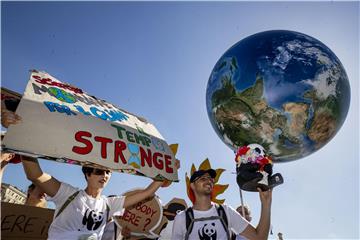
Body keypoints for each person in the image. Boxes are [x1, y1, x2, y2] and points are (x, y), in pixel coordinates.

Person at [171, 168, 272, 240]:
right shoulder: (181, 218)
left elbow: (260, 237)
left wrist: (266, 204)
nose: (208, 181)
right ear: (192, 185)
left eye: (210, 179)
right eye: (203, 179)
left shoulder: (226, 211)